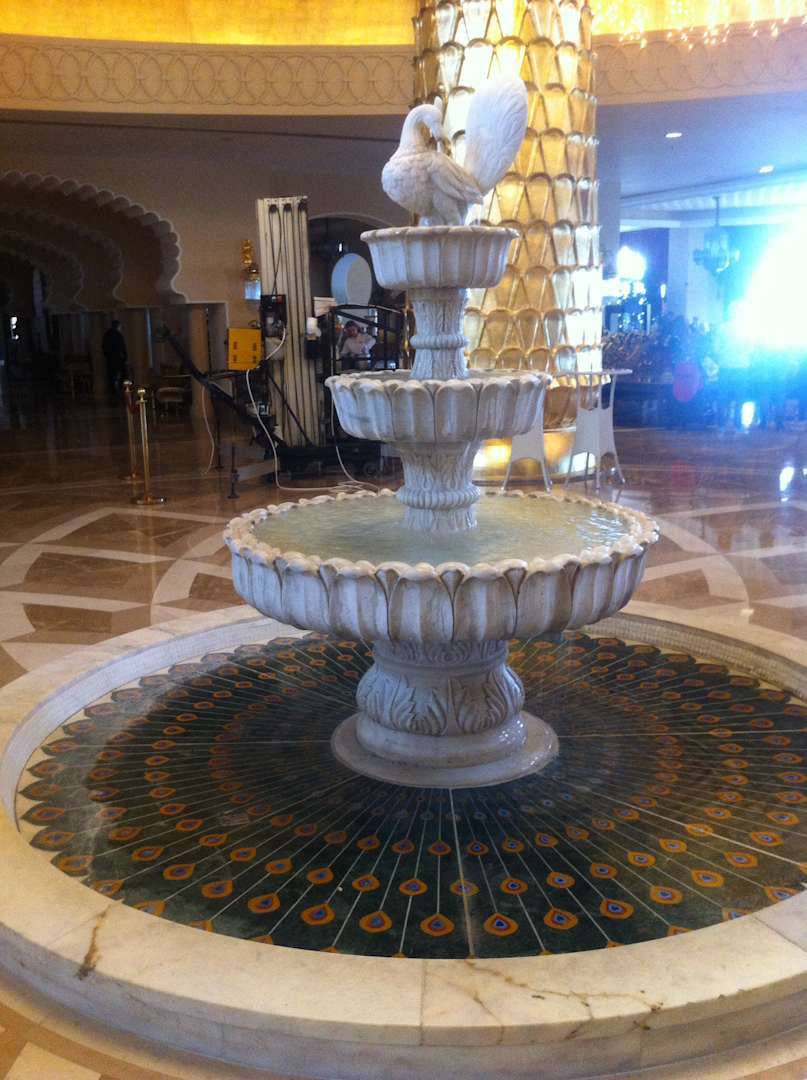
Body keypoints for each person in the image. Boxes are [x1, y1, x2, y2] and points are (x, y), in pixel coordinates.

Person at [102, 319, 128, 395]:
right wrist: (125, 357)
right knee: (123, 374)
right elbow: (122, 347)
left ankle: (112, 390)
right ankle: (122, 389)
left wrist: (107, 355)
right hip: (118, 358)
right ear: (118, 326)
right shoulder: (118, 335)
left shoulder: (106, 335)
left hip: (109, 359)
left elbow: (104, 347)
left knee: (111, 375)